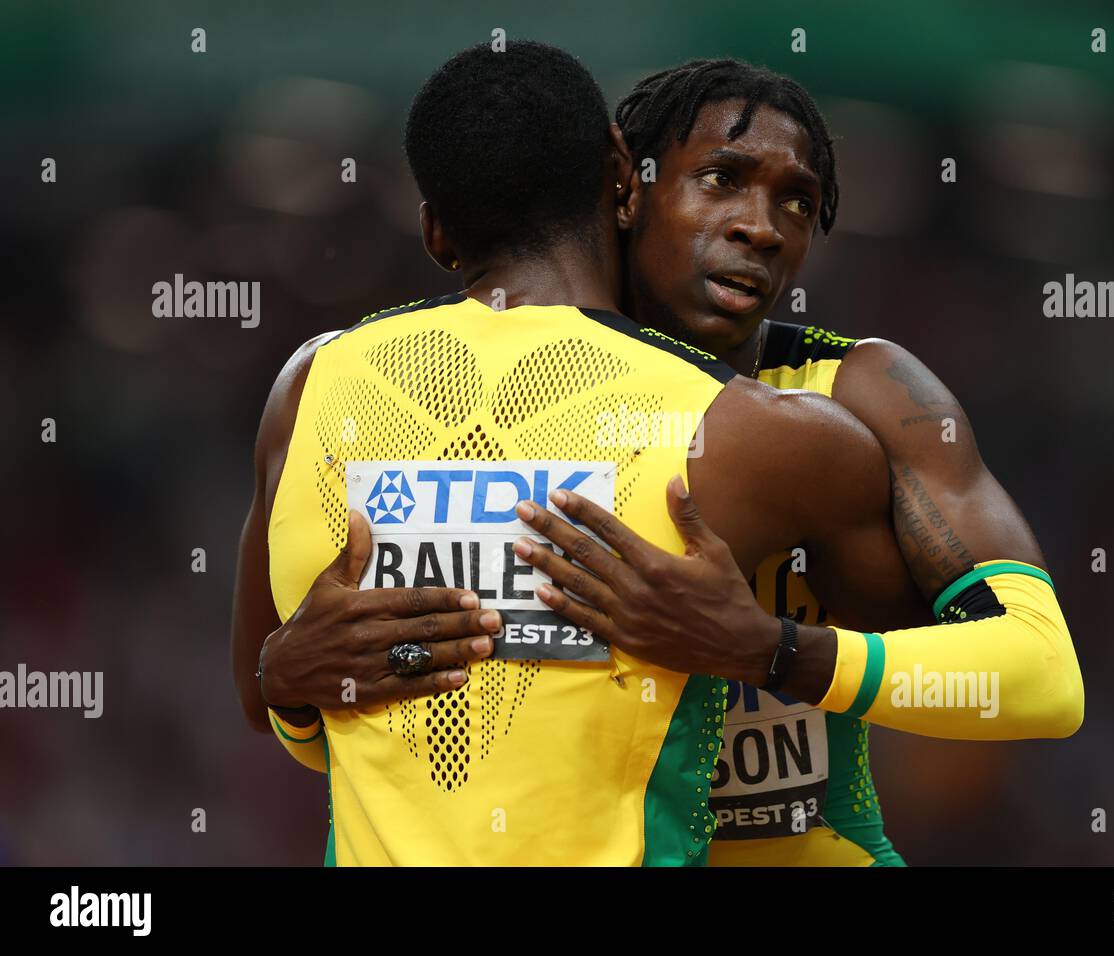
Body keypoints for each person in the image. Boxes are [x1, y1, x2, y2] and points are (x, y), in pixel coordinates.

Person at [230, 41, 939, 866]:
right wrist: (768, 649)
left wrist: (288, 683)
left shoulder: (309, 386)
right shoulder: (757, 430)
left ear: (433, 231)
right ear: (620, 175)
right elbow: (947, 683)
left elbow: (278, 701)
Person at [508, 59, 1086, 866]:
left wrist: (766, 649)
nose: (764, 226)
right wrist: (294, 694)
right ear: (626, 189)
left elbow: (1044, 675)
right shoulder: (507, 392)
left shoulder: (866, 394)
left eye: (798, 201)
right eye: (721, 179)